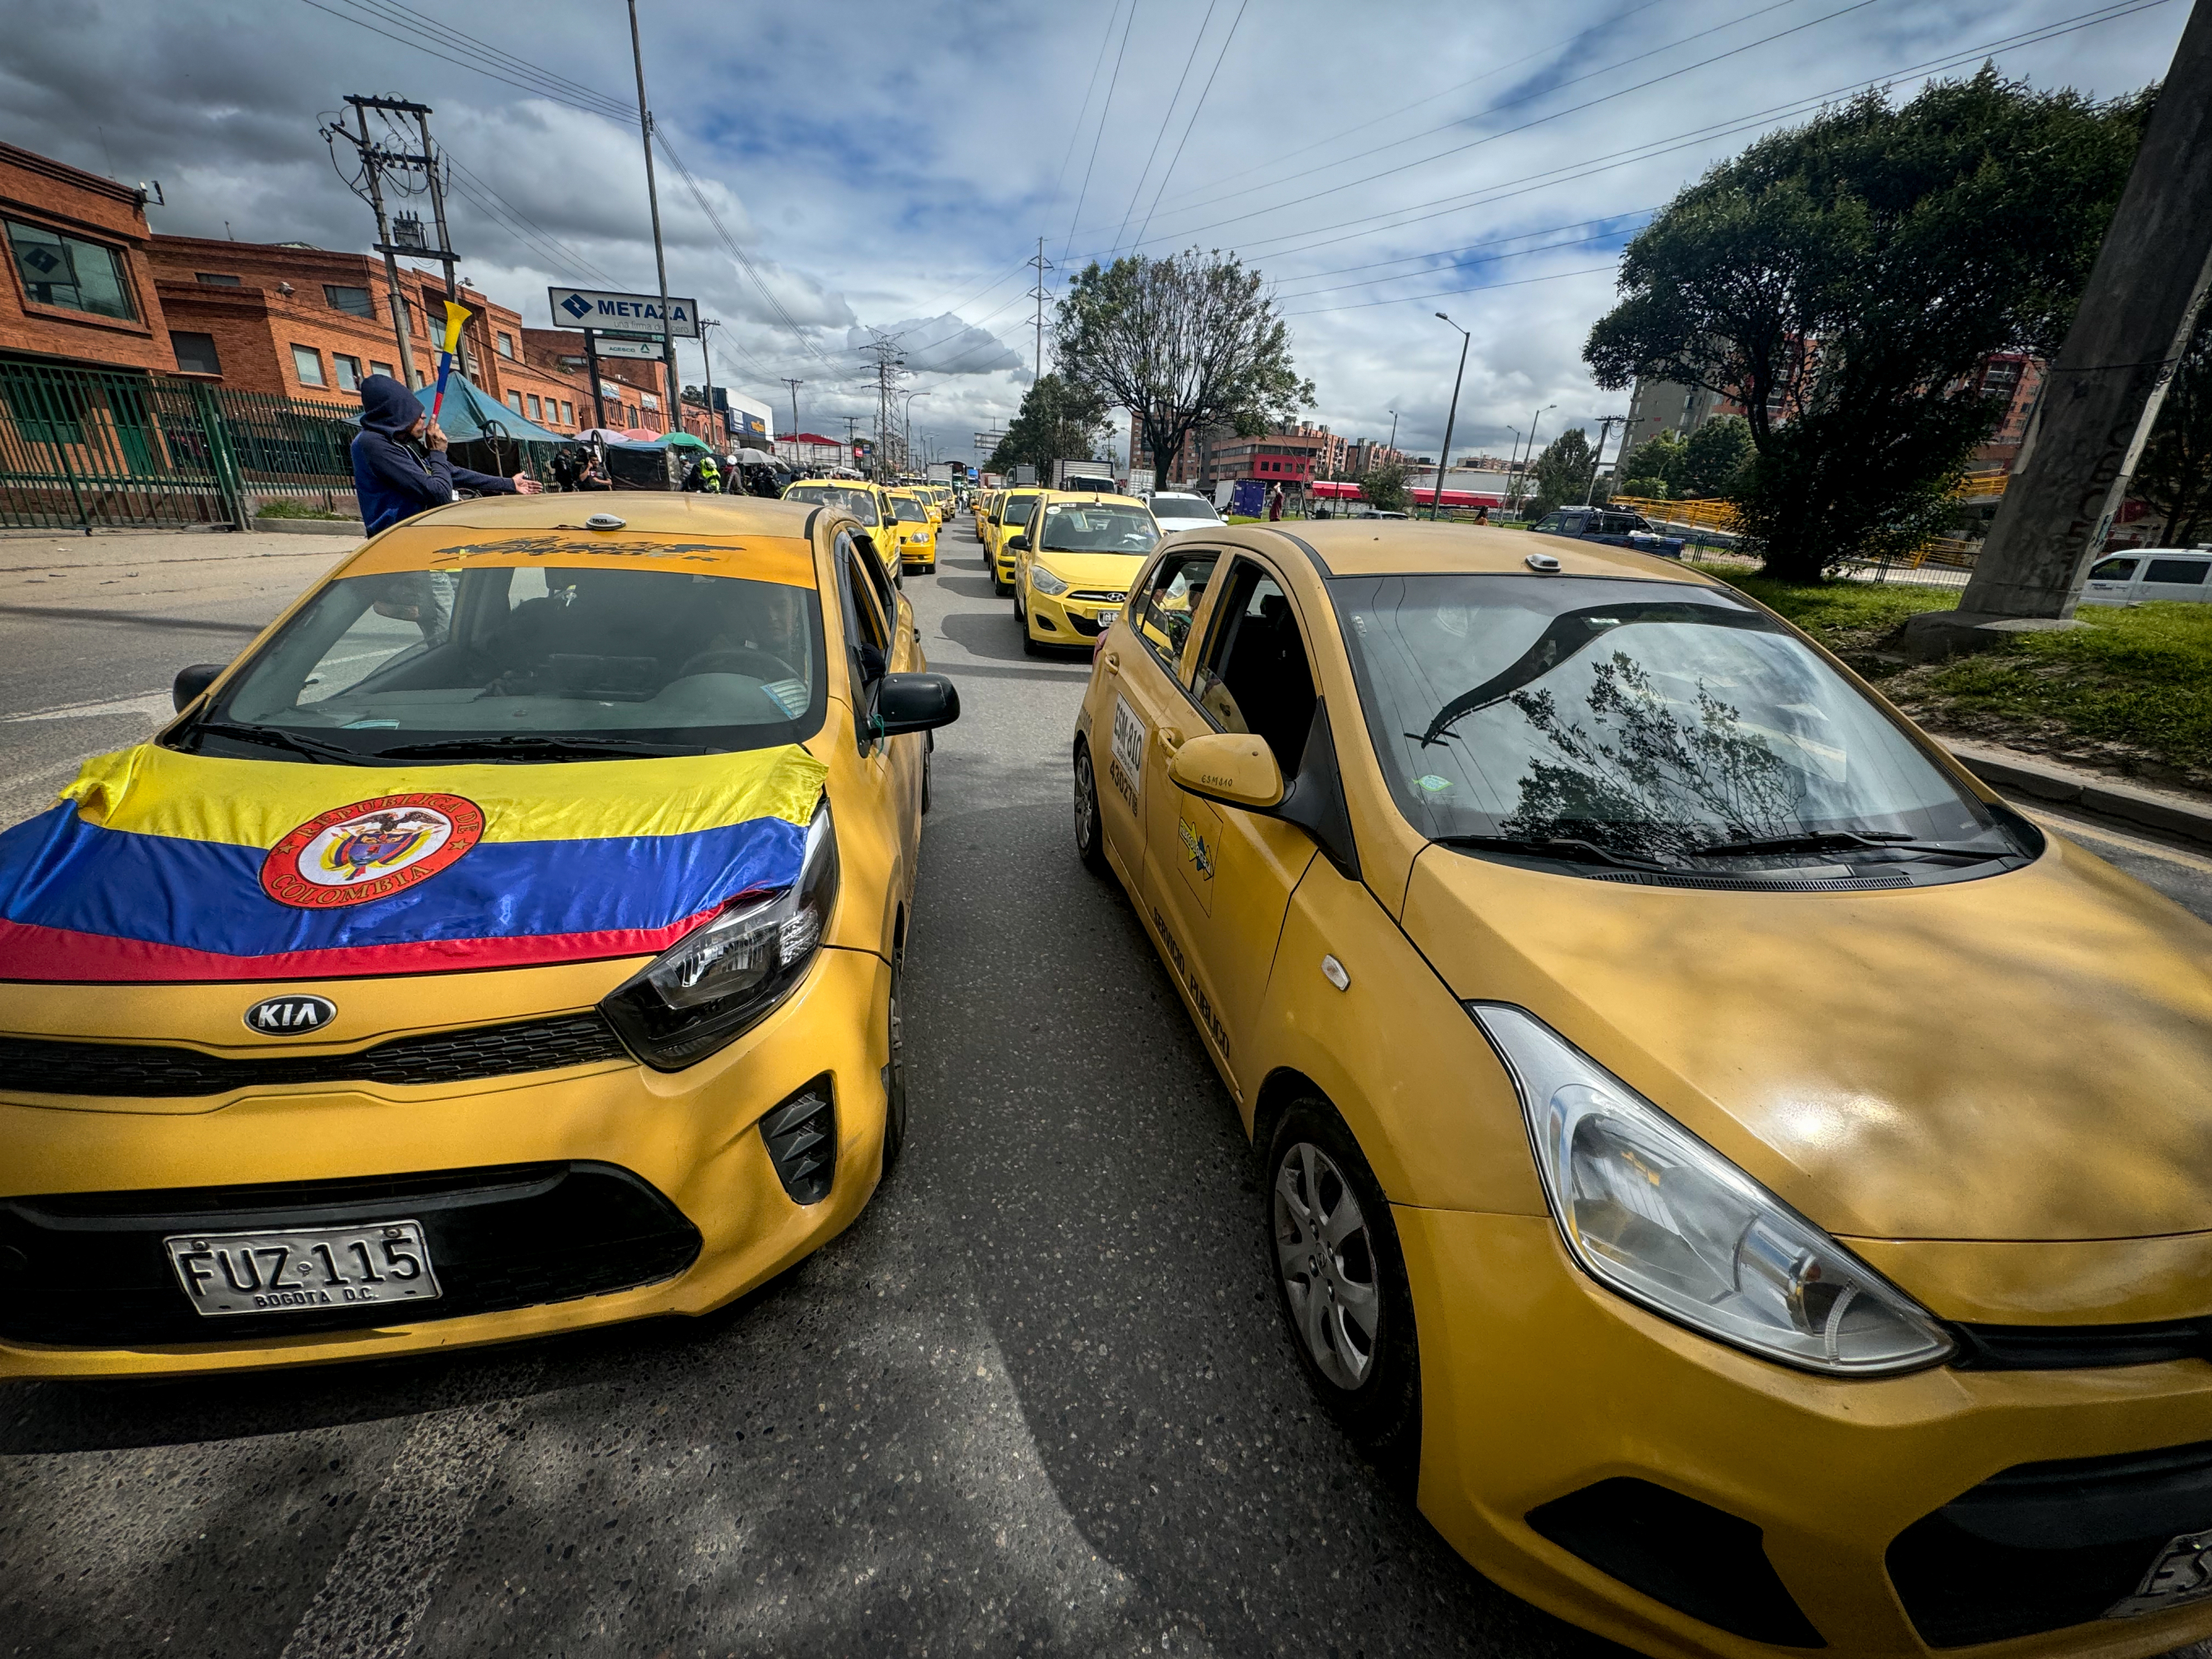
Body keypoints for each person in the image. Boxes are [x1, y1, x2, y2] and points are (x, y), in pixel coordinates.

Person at [350, 374, 540, 536]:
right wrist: (437, 452)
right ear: (397, 414)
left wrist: (509, 484)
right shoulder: (373, 443)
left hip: (418, 534)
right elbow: (439, 493)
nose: (423, 416)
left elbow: (451, 472)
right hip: (396, 541)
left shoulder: (399, 442)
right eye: (413, 412)